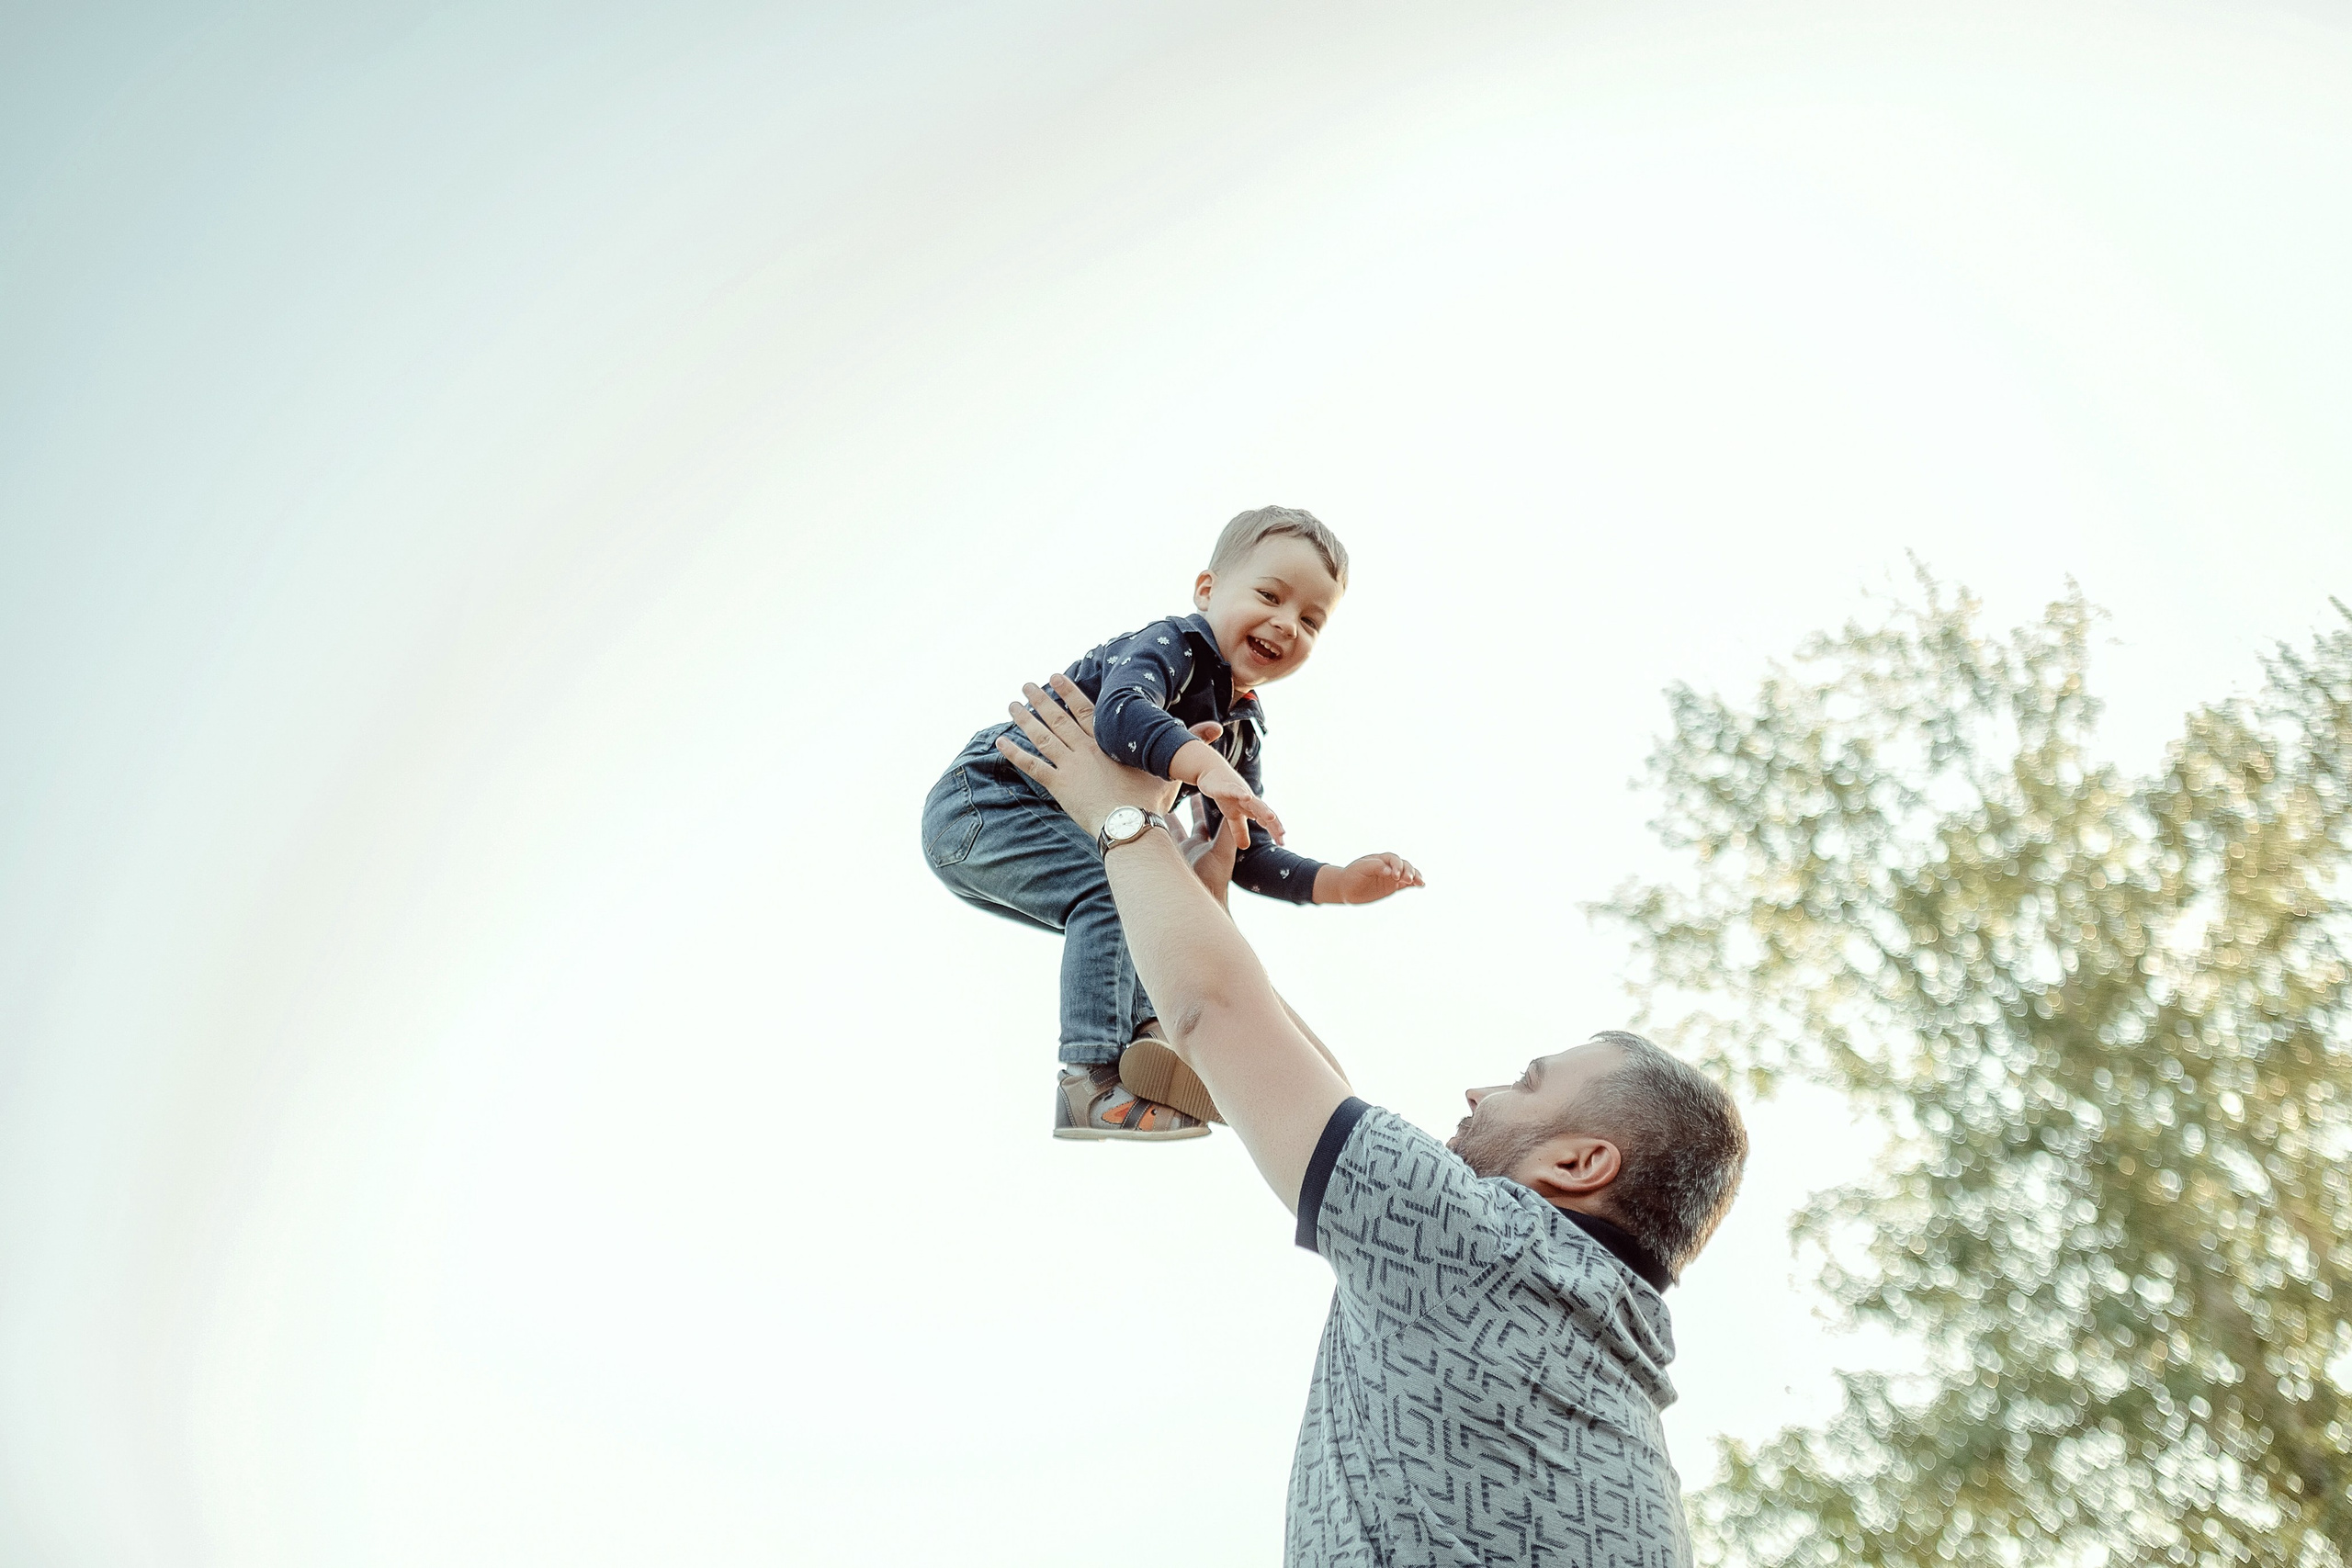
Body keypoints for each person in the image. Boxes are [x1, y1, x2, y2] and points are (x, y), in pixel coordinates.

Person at [994, 673, 1748, 1568]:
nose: (1479, 1093)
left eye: (1525, 1081)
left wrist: (1120, 820)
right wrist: (1207, 912)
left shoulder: (1481, 1251)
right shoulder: (1594, 1343)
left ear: (1582, 1163)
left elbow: (1216, 1019)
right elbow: (1334, 1110)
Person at [919, 505, 1424, 1142]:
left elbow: (1243, 852)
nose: (1285, 623)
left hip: (1043, 827)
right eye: (1270, 595)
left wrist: (1339, 883)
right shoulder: (1174, 645)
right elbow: (1120, 715)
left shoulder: (1241, 727)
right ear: (1208, 590)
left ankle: (1149, 1035)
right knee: (1113, 892)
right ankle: (1090, 1078)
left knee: (1143, 901)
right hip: (987, 800)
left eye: (1311, 620)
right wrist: (1202, 764)